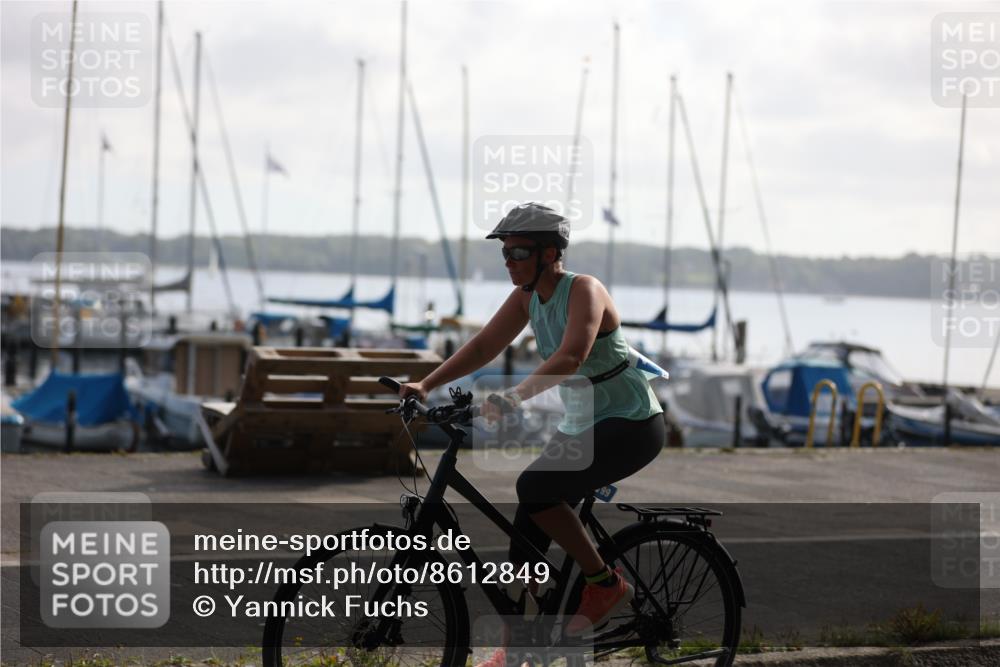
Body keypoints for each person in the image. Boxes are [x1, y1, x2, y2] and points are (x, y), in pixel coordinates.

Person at [399, 203, 665, 665]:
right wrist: (426, 384)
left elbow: (572, 357)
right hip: (584, 422)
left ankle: (604, 583)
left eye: (517, 251)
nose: (509, 262)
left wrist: (510, 398)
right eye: (504, 253)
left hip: (631, 420)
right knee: (525, 535)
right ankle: (521, 647)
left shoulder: (585, 289)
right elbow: (484, 344)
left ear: (549, 253)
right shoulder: (526, 296)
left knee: (535, 488)